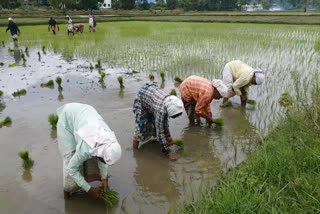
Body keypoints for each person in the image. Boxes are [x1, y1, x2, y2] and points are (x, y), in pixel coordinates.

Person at [56, 103, 122, 200]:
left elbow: (104, 158)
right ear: (100, 155)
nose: (104, 163)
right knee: (70, 159)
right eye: (103, 160)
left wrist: (104, 178)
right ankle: (66, 194)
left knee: (92, 161)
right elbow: (71, 169)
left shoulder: (110, 141)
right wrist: (89, 190)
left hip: (86, 116)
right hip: (67, 121)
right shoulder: (86, 148)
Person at [132, 82, 184, 161]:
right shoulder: (160, 111)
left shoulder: (171, 102)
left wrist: (168, 136)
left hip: (152, 99)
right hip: (141, 99)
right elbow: (160, 132)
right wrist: (168, 153)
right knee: (141, 126)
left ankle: (160, 144)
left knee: (156, 123)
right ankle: (135, 153)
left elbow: (165, 122)